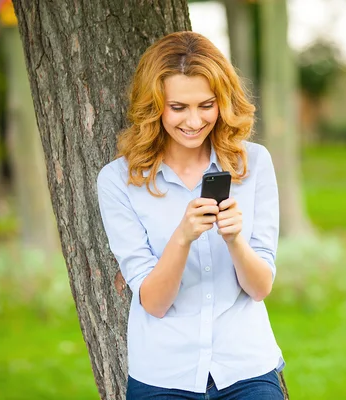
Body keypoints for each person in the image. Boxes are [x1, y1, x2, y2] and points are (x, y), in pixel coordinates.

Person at [97, 31, 285, 400]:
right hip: (164, 374)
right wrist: (182, 238)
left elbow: (260, 287)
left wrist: (234, 241)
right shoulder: (118, 180)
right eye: (178, 107)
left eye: (206, 105)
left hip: (246, 368)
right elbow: (153, 302)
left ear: (222, 102)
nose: (194, 121)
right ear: (154, 106)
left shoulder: (255, 164)